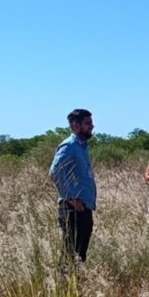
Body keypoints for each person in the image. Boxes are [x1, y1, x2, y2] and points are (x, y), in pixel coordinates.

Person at [48, 109, 97, 262]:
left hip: (83, 207)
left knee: (79, 255)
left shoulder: (82, 146)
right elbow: (55, 172)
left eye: (91, 122)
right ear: (75, 125)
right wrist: (70, 197)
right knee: (69, 253)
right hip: (72, 208)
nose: (92, 126)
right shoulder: (69, 146)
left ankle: (77, 283)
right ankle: (65, 283)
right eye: (87, 123)